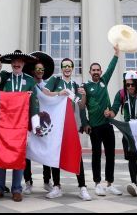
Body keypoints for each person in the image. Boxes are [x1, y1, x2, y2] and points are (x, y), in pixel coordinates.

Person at [0, 51, 38, 202]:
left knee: (19, 155)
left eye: (19, 62)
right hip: (4, 123)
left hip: (21, 124)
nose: (16, 64)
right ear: (11, 64)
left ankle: (17, 189)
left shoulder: (30, 80)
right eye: (14, 62)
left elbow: (34, 103)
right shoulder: (5, 76)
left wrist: (35, 124)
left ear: (23, 64)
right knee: (1, 153)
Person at [42, 57, 92, 201]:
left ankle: (82, 187)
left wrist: (84, 95)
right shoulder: (56, 80)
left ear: (73, 68)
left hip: (71, 125)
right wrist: (58, 93)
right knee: (55, 154)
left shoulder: (75, 85)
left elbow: (81, 105)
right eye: (64, 66)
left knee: (76, 153)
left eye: (69, 66)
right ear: (61, 68)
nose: (67, 68)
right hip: (56, 124)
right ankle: (56, 186)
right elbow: (44, 93)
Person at [79, 44, 122, 196]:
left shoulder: (104, 80)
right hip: (94, 127)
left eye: (98, 70)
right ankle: (97, 184)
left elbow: (111, 68)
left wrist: (116, 54)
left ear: (101, 72)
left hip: (107, 125)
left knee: (110, 155)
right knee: (96, 155)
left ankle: (110, 183)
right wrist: (85, 123)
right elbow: (81, 107)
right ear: (90, 72)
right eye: (94, 70)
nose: (96, 72)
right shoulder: (85, 86)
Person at [23, 52, 55, 195]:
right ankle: (28, 182)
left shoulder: (47, 86)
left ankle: (47, 181)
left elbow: (53, 99)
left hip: (42, 121)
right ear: (33, 71)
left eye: (42, 69)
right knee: (27, 152)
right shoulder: (28, 83)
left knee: (45, 149)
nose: (40, 71)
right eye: (37, 69)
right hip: (28, 121)